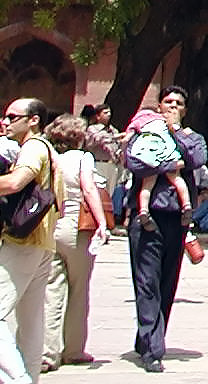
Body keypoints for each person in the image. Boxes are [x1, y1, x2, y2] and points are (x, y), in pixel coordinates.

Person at [126, 85, 206, 374]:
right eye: (168, 101)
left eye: (178, 103)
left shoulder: (192, 137)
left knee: (166, 282)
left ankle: (147, 337)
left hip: (177, 218)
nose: (172, 106)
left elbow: (196, 159)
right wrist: (170, 163)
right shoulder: (144, 132)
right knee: (146, 280)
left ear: (184, 109)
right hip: (147, 216)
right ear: (159, 105)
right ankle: (153, 348)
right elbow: (133, 161)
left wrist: (175, 133)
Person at [41, 114, 108, 372]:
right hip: (76, 228)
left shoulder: (49, 157)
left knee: (52, 290)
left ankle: (47, 354)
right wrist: (102, 222)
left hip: (51, 226)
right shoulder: (82, 158)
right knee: (79, 290)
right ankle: (74, 349)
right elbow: (89, 189)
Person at [0, 98, 59, 382]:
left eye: (13, 117)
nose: (6, 121)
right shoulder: (49, 148)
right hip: (43, 242)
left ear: (33, 119)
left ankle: (17, 379)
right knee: (32, 321)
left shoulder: (33, 148)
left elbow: (15, 183)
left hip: (23, 242)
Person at [124, 108, 192, 231]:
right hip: (166, 148)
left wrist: (124, 142)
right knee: (177, 179)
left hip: (149, 149)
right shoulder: (163, 120)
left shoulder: (139, 120)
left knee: (147, 185)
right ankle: (187, 205)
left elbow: (129, 135)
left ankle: (143, 210)